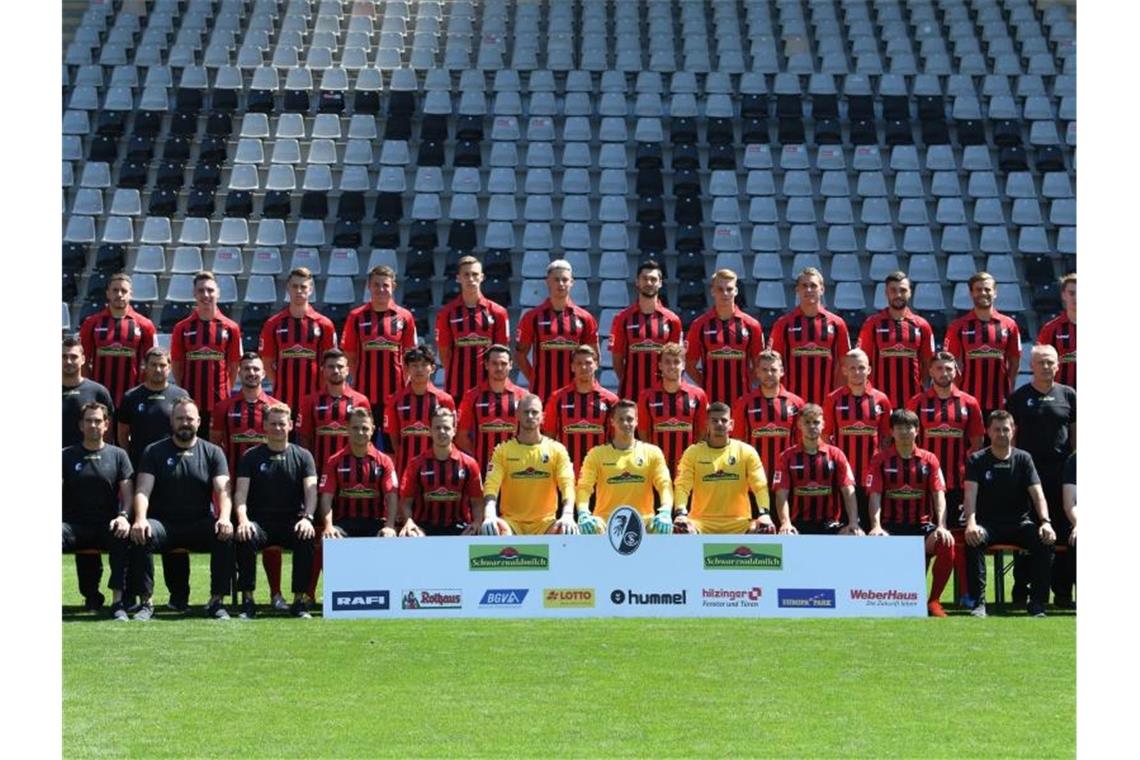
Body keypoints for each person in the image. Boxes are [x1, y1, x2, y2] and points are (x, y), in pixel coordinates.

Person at [128, 397, 236, 620]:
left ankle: (217, 601)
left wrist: (224, 517)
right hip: (163, 524)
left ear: (198, 422)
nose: (184, 423)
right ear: (171, 421)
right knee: (141, 533)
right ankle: (146, 602)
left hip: (198, 522)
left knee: (224, 534)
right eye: (180, 418)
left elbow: (223, 490)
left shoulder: (213, 452)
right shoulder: (154, 451)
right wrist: (140, 518)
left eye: (189, 418)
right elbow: (142, 490)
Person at [209, 352, 287, 609]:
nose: (251, 374)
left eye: (256, 369)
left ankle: (276, 594)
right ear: (239, 373)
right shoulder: (224, 407)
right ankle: (238, 595)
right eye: (246, 369)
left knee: (270, 541)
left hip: (269, 487)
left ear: (263, 373)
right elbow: (214, 448)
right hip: (233, 488)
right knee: (234, 539)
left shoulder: (276, 408)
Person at [962, 411, 1056, 618]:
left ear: (1013, 431)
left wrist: (1045, 522)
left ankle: (1038, 604)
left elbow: (1038, 494)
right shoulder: (976, 460)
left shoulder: (1024, 458)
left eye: (1006, 429)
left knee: (1045, 541)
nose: (1002, 434)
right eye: (997, 429)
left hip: (1020, 524)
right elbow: (970, 496)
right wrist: (971, 523)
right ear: (988, 432)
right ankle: (978, 604)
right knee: (972, 540)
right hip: (988, 525)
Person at [865, 409, 956, 618]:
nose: (905, 432)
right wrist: (876, 526)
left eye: (909, 427)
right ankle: (877, 599)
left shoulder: (929, 459)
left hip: (922, 528)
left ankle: (933, 601)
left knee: (947, 543)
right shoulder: (880, 459)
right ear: (892, 432)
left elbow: (938, 495)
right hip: (891, 528)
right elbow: (875, 495)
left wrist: (941, 526)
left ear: (917, 431)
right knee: (872, 543)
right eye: (899, 428)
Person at [1006, 344, 1077, 608]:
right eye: (1041, 363)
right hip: (1028, 475)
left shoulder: (1069, 395)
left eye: (1051, 362)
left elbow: (1076, 439)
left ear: (1058, 365)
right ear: (1031, 366)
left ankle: (1062, 592)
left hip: (1061, 476)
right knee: (1029, 534)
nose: (1046, 367)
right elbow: (1010, 439)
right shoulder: (1018, 397)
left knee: (1062, 533)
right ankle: (1021, 590)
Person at [232, 404, 317, 619]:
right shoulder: (251, 456)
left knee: (306, 536)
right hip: (260, 522)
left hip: (292, 521)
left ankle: (299, 601)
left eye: (282, 424)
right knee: (245, 535)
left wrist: (308, 518)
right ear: (265, 426)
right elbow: (240, 494)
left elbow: (311, 492)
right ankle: (248, 601)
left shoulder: (304, 456)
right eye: (273, 424)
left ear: (290, 426)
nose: (278, 428)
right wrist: (243, 520)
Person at [62, 402, 133, 619]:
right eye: (89, 421)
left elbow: (128, 494)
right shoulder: (65, 455)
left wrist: (123, 516)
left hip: (107, 524)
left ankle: (118, 602)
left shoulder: (118, 455)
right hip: (74, 526)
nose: (93, 425)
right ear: (81, 425)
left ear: (106, 425)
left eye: (98, 421)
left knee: (122, 534)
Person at [480, 394, 578, 536]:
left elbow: (567, 484)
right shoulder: (502, 450)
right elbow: (491, 486)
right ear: (518, 415)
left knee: (566, 530)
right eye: (526, 412)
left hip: (545, 524)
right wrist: (489, 514)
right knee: (495, 529)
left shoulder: (557, 450)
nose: (530, 416)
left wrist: (568, 514)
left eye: (535, 412)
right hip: (511, 523)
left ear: (542, 416)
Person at [341, 265, 418, 444]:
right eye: (376, 285)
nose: (381, 289)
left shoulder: (404, 317)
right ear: (369, 286)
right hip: (364, 394)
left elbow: (410, 356)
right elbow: (349, 356)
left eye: (385, 285)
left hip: (395, 394)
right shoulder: (356, 316)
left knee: (394, 445)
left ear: (394, 287)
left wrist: (402, 384)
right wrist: (359, 379)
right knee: (362, 443)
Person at [673, 402, 774, 535]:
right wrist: (680, 512)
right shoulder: (692, 452)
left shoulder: (746, 451)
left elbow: (760, 486)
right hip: (701, 523)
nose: (719, 424)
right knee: (680, 529)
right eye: (714, 421)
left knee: (765, 529)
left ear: (731, 424)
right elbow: (682, 486)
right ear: (707, 424)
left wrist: (764, 513)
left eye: (724, 420)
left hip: (740, 523)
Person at [575, 399, 674, 534]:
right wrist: (583, 512)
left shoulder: (652, 452)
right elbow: (584, 487)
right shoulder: (596, 454)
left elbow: (664, 484)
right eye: (620, 419)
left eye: (630, 419)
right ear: (612, 422)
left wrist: (666, 510)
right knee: (589, 528)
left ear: (637, 421)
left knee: (662, 528)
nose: (625, 423)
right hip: (605, 523)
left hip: (643, 523)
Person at [822, 349, 892, 528]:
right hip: (841, 474)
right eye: (852, 368)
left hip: (872, 473)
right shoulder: (833, 399)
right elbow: (825, 435)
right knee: (844, 525)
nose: (857, 372)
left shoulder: (881, 399)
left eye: (861, 368)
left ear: (869, 370)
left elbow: (886, 437)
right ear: (844, 370)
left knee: (872, 525)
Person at [515, 259, 599, 405]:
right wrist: (534, 379)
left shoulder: (585, 318)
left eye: (565, 279)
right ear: (547, 282)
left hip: (576, 393)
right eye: (556, 279)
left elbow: (595, 356)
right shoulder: (532, 317)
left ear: (572, 282)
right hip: (542, 394)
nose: (561, 284)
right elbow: (520, 355)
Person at [170, 271, 242, 434]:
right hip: (190, 402)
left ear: (218, 293)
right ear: (194, 294)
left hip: (219, 402)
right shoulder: (182, 328)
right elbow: (177, 366)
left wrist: (225, 392)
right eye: (201, 290)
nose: (206, 295)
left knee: (217, 447)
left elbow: (233, 366)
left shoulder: (231, 328)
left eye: (210, 290)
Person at [772, 404, 860, 536]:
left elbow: (848, 490)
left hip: (830, 523)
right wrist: (785, 522)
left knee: (855, 535)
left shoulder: (836, 454)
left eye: (816, 422)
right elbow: (781, 493)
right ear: (799, 425)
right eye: (807, 422)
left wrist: (853, 522)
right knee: (786, 535)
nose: (812, 426)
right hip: (797, 523)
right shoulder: (787, 456)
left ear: (823, 424)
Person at [258, 267, 336, 415]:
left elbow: (330, 363)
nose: (299, 291)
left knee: (312, 438)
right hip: (282, 399)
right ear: (288, 288)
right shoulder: (273, 324)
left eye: (303, 287)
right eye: (295, 286)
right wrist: (281, 382)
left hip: (316, 398)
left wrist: (320, 387)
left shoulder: (324, 324)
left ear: (311, 289)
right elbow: (267, 362)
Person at [769, 267, 852, 406]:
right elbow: (772, 363)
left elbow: (845, 363)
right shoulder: (783, 324)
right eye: (804, 286)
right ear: (797, 290)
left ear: (822, 289)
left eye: (813, 285)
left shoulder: (837, 324)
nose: (808, 290)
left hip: (827, 402)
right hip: (791, 403)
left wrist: (838, 396)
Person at [944, 272, 1021, 419]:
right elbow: (950, 362)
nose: (983, 293)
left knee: (998, 441)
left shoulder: (1009, 325)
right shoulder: (958, 326)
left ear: (995, 293)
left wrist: (1008, 388)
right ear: (971, 293)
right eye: (978, 289)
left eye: (987, 289)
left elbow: (1015, 361)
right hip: (968, 399)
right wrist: (958, 389)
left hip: (1000, 398)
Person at [434, 255, 510, 404]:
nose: (471, 279)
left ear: (482, 277)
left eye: (475, 274)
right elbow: (444, 354)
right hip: (456, 388)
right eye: (466, 275)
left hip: (489, 387)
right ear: (458, 278)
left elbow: (502, 351)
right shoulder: (446, 313)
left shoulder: (498, 312)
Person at [397, 407, 484, 537]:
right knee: (409, 535)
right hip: (424, 528)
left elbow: (477, 502)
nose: (442, 432)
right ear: (430, 431)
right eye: (437, 428)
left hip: (460, 527)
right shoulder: (416, 464)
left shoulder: (469, 464)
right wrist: (409, 522)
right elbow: (405, 502)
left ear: (454, 431)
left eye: (446, 428)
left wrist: (477, 522)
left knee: (480, 532)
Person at [684, 268, 765, 405]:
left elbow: (759, 364)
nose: (725, 293)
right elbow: (689, 364)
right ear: (712, 291)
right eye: (720, 289)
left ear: (736, 291)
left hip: (742, 401)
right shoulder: (699, 325)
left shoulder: (752, 325)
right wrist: (706, 384)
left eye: (729, 289)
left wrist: (745, 381)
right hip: (711, 402)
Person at [856, 271, 935, 410]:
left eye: (903, 290)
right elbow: (863, 360)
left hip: (913, 399)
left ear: (910, 292)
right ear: (886, 293)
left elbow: (928, 363)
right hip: (879, 401)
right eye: (893, 290)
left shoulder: (922, 325)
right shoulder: (872, 324)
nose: (898, 295)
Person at [317, 408, 399, 539]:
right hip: (344, 523)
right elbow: (326, 497)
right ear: (347, 428)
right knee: (330, 537)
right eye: (355, 428)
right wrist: (328, 526)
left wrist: (389, 526)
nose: (360, 432)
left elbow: (392, 495)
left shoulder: (385, 461)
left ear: (373, 429)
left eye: (365, 428)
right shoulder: (334, 461)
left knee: (388, 537)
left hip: (376, 522)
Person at [79, 272, 157, 407]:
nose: (119, 294)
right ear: (108, 293)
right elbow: (83, 361)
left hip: (133, 394)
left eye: (124, 291)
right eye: (115, 290)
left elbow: (153, 361)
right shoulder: (91, 323)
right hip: (99, 395)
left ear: (130, 294)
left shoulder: (145, 325)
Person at [609, 259, 682, 402]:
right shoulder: (622, 318)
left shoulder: (672, 320)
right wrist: (629, 381)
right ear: (637, 282)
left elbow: (675, 359)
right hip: (630, 395)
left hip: (663, 394)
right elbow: (617, 360)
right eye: (645, 278)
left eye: (653, 279)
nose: (649, 283)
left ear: (660, 283)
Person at [542, 344, 619, 475]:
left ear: (596, 364)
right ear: (572, 367)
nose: (583, 367)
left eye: (588, 363)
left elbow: (616, 440)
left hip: (600, 475)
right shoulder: (557, 398)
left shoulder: (611, 400)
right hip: (565, 475)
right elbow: (548, 437)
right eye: (579, 363)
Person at [731, 350, 805, 482]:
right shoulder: (744, 403)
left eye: (773, 369)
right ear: (757, 372)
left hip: (788, 478)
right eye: (764, 370)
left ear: (782, 371)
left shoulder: (797, 403)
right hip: (753, 478)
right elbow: (737, 441)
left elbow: (802, 442)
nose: (769, 374)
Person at [296, 348, 372, 476]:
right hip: (319, 468)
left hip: (351, 469)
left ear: (347, 370)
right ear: (323, 370)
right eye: (331, 367)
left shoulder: (361, 400)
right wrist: (308, 466)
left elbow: (367, 438)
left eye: (340, 366)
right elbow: (305, 437)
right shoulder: (310, 401)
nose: (336, 370)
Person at [383, 345, 456, 477]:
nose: (419, 369)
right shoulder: (394, 400)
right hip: (405, 467)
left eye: (424, 364)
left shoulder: (445, 399)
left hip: (438, 467)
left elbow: (452, 434)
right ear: (407, 368)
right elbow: (392, 436)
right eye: (414, 365)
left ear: (432, 368)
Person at [456, 344, 528, 476]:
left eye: (503, 363)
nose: (499, 368)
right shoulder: (472, 396)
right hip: (482, 470)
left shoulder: (524, 396)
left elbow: (532, 434)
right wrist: (477, 458)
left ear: (511, 365)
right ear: (486, 365)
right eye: (494, 363)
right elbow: (461, 436)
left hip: (517, 469)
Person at [638, 342, 708, 476]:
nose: (672, 366)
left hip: (688, 468)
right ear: (660, 365)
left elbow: (701, 432)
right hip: (657, 469)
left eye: (676, 362)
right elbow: (643, 433)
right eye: (667, 362)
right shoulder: (646, 396)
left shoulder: (698, 395)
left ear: (683, 365)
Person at [117, 348, 185, 467]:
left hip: (172, 462)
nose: (158, 369)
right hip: (140, 462)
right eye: (153, 365)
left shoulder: (181, 396)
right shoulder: (131, 396)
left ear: (169, 368)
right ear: (145, 367)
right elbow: (122, 433)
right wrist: (127, 460)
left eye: (162, 365)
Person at [64, 335, 115, 450]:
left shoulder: (98, 392)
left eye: (73, 357)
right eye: (64, 357)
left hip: (88, 463)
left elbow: (107, 432)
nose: (68, 361)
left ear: (83, 359)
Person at [1036, 273, 1076, 389]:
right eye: (1072, 293)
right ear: (1063, 295)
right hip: (1060, 398)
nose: (1076, 297)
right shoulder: (1051, 329)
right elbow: (1039, 361)